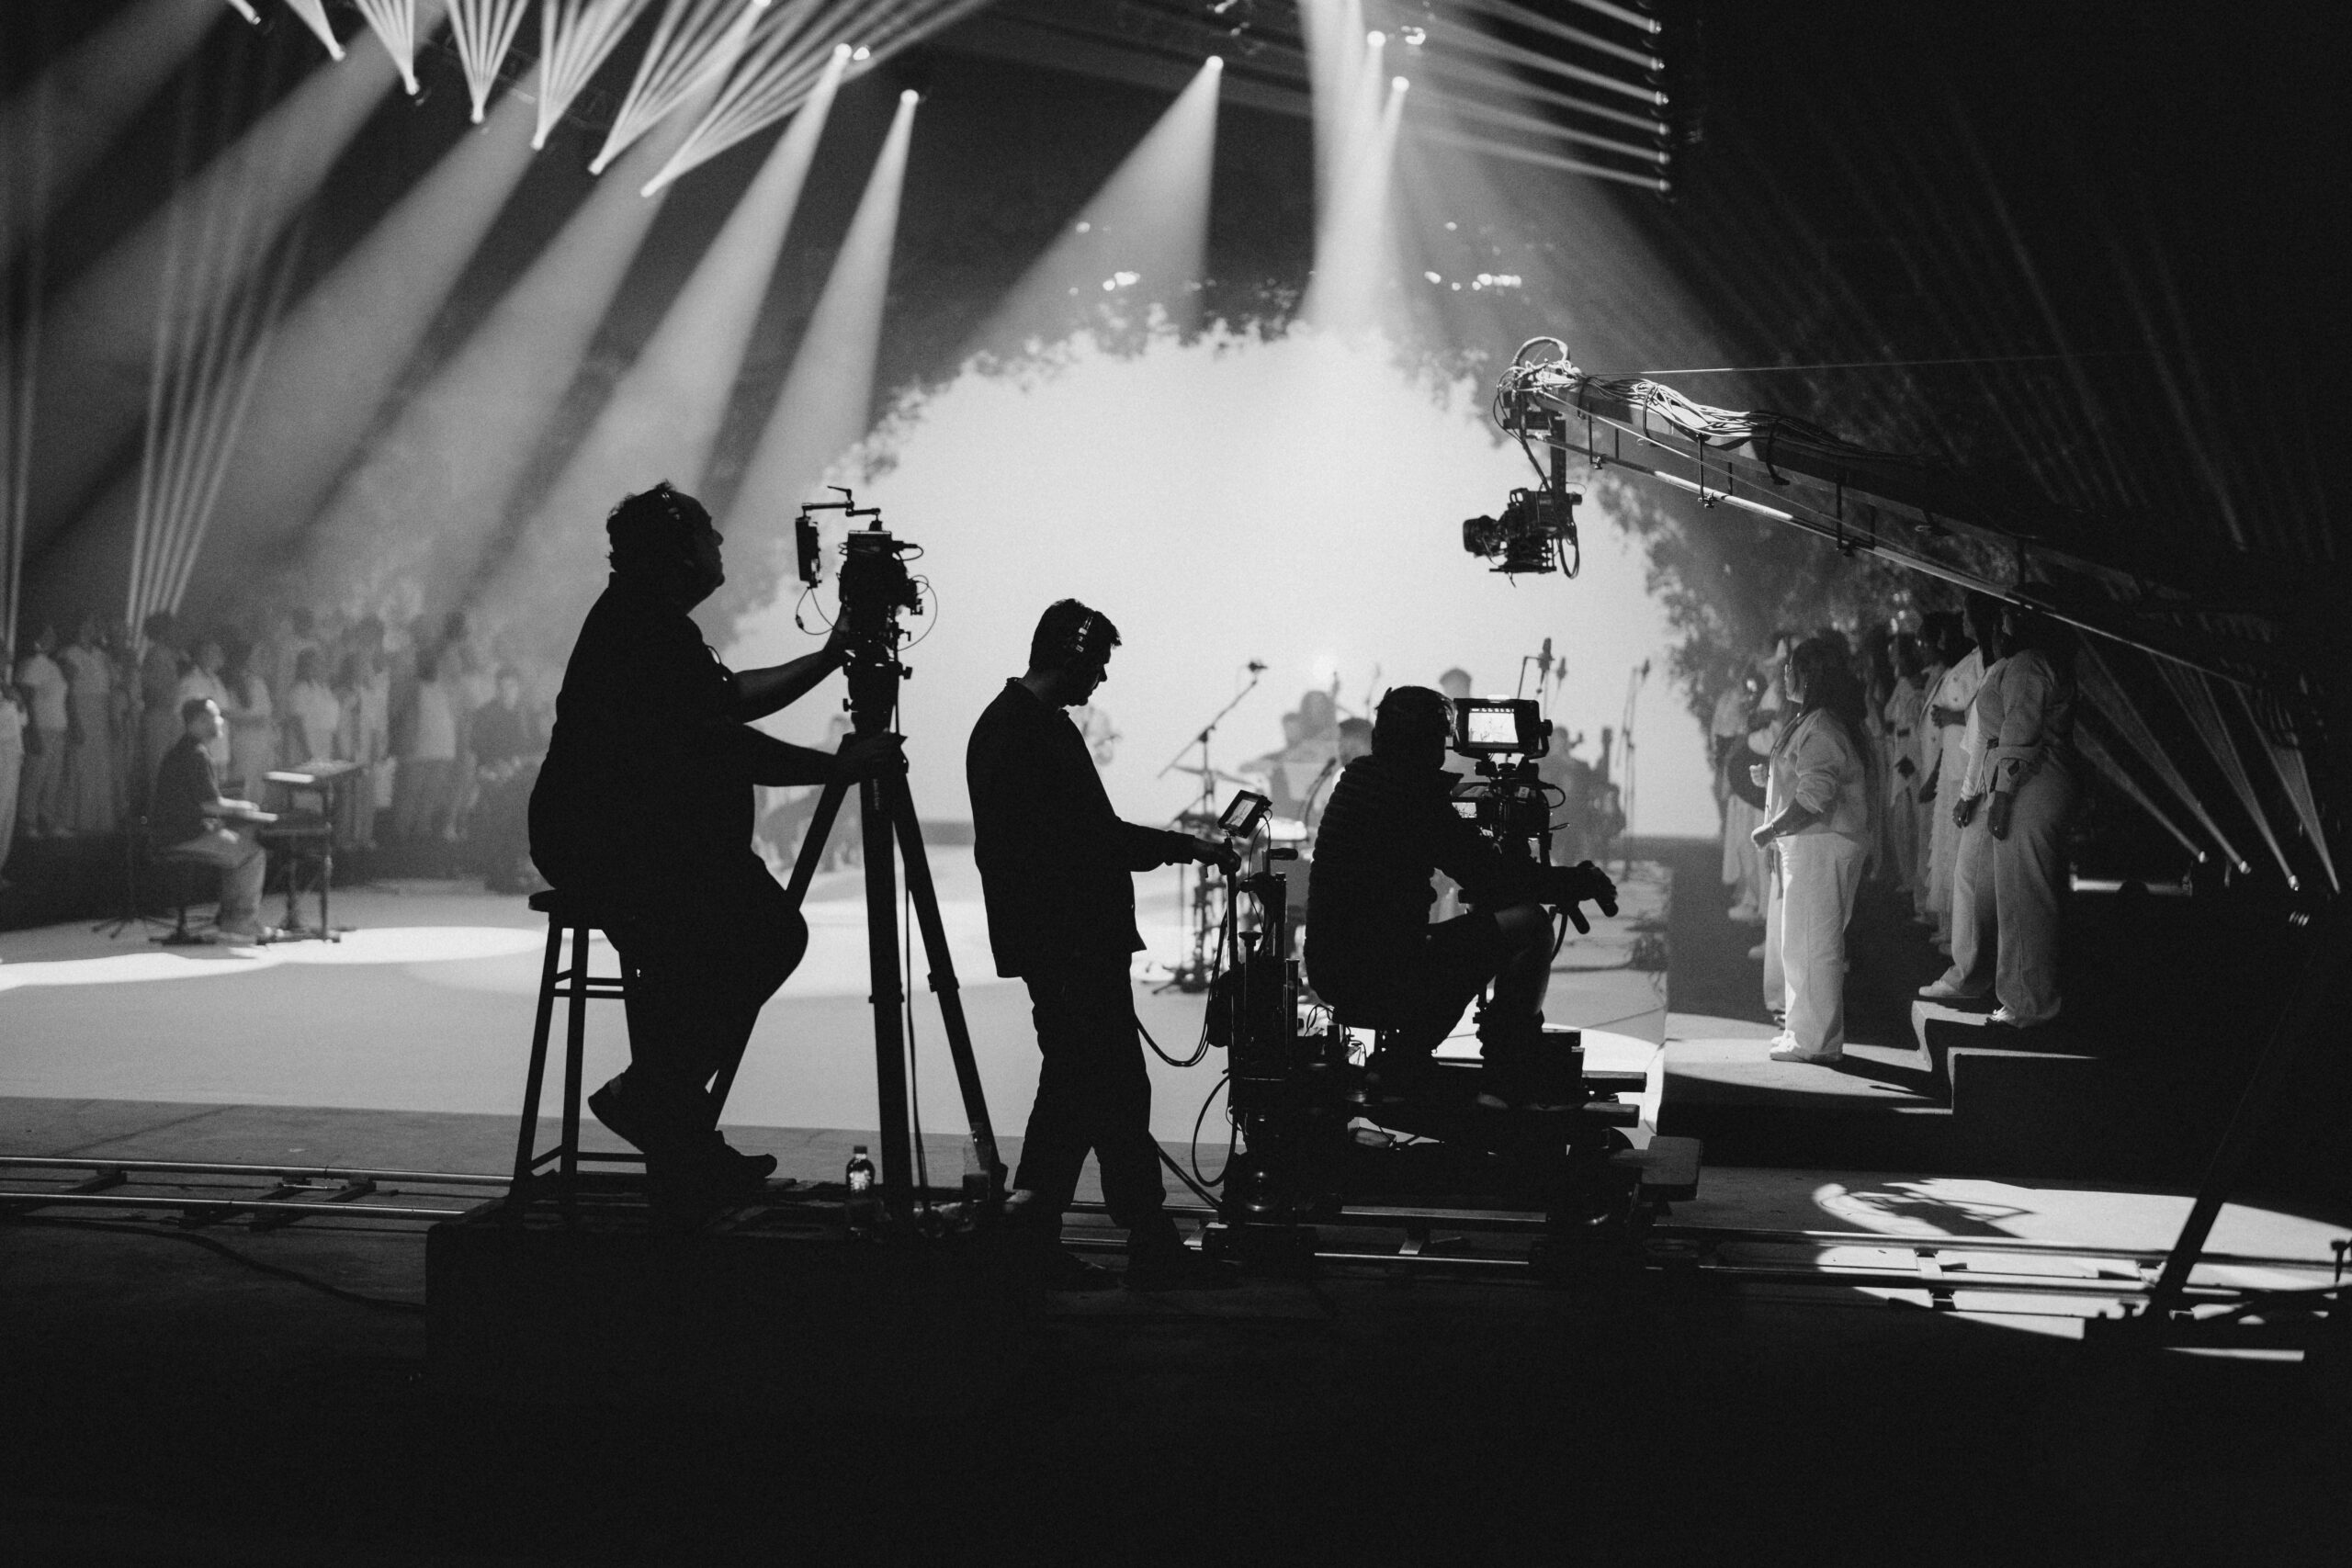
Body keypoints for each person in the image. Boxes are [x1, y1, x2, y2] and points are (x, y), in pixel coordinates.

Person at [531, 481, 895, 1223]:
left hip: (637, 842)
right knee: (764, 932)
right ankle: (659, 1102)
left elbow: (731, 697)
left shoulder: (650, 620)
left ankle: (673, 1123)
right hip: (611, 847)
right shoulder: (643, 628)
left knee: (746, 934)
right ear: (674, 551)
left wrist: (831, 656)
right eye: (706, 531)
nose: (719, 543)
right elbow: (727, 744)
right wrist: (838, 767)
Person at [967, 599, 1239, 1290]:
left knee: (1082, 1088)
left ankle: (1052, 1234)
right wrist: (1186, 847)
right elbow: (1092, 839)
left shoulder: (1020, 725)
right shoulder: (1026, 732)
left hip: (1066, 944)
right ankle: (1137, 1239)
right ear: (1073, 656)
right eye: (1098, 663)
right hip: (1069, 945)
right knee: (1102, 1087)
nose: (1102, 678)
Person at [1306, 685, 1618, 1110]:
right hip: (1379, 969)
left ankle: (1404, 1058)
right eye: (1439, 736)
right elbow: (1490, 876)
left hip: (1339, 965)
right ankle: (1505, 1075)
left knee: (1456, 942)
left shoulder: (1361, 782)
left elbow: (1477, 870)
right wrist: (1574, 882)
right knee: (1530, 926)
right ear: (1427, 742)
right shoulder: (1408, 794)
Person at [1919, 604, 2075, 1027]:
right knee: (2012, 896)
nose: (2000, 625)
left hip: (2028, 787)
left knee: (2025, 898)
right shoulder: (2022, 664)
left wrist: (2001, 796)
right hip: (2022, 785)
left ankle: (2030, 1001)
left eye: (2009, 616)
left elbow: (2017, 733)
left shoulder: (2028, 666)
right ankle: (2020, 993)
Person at [1749, 637, 1877, 1064]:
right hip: (1812, 843)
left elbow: (1815, 796)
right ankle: (1802, 1032)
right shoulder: (1813, 722)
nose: (1784, 674)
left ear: (1808, 675)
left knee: (1815, 943)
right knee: (1800, 943)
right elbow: (1802, 779)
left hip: (1822, 843)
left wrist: (1771, 830)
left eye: (1790, 668)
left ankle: (1817, 1040)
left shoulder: (1821, 726)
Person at [151, 696, 278, 942]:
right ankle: (240, 922)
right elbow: (211, 804)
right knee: (252, 855)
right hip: (184, 835)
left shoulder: (183, 750)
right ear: (199, 721)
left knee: (239, 848)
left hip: (176, 832)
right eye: (216, 716)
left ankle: (230, 921)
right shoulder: (196, 754)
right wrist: (246, 806)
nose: (221, 721)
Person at [1920, 598, 1994, 953]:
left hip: (1967, 764)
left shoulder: (1985, 662)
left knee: (1962, 853)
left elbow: (1987, 712)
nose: (1963, 620)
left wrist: (1953, 717)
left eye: (1967, 615)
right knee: (1948, 849)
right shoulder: (1967, 661)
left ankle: (1963, 938)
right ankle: (1951, 928)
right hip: (1951, 763)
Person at [467, 665, 542, 893]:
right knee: (502, 810)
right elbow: (479, 748)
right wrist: (497, 767)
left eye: (511, 686)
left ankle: (523, 865)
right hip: (494, 774)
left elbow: (539, 748)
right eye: (501, 687)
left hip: (522, 776)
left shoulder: (528, 715)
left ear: (519, 687)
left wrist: (519, 763)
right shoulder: (485, 714)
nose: (506, 691)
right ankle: (502, 869)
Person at [58, 615, 119, 835]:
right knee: (80, 764)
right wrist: (74, 721)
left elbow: (110, 688)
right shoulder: (68, 654)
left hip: (100, 712)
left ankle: (99, 820)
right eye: (86, 624)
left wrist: (112, 717)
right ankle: (76, 818)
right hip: (81, 709)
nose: (90, 629)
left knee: (100, 766)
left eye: (93, 625)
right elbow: (67, 692)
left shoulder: (102, 656)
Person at [15, 627, 68, 839]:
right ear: (36, 640)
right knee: (35, 777)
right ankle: (27, 822)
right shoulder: (35, 663)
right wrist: (33, 730)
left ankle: (48, 820)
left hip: (58, 728)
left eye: (53, 636)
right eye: (46, 636)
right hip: (42, 728)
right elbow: (27, 698)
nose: (51, 640)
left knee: (52, 779)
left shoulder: (53, 665)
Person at [218, 641, 276, 805]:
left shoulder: (259, 683)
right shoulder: (232, 683)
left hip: (262, 742)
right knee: (245, 784)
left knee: (260, 785)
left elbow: (266, 713)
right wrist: (251, 720)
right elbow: (225, 713)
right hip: (244, 743)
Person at [0, 656, 25, 885]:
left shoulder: (7, 688)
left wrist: (18, 702)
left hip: (12, 756)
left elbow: (23, 720)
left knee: (7, 811)